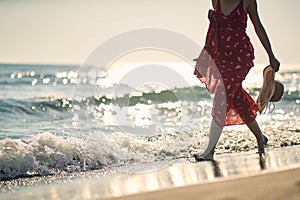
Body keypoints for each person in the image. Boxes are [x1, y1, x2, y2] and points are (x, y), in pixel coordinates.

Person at [193, 0, 280, 161]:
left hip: (241, 56)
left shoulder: (248, 1)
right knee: (237, 99)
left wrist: (271, 55)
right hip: (223, 57)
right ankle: (261, 138)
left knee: (223, 95)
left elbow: (258, 27)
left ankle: (209, 151)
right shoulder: (216, 1)